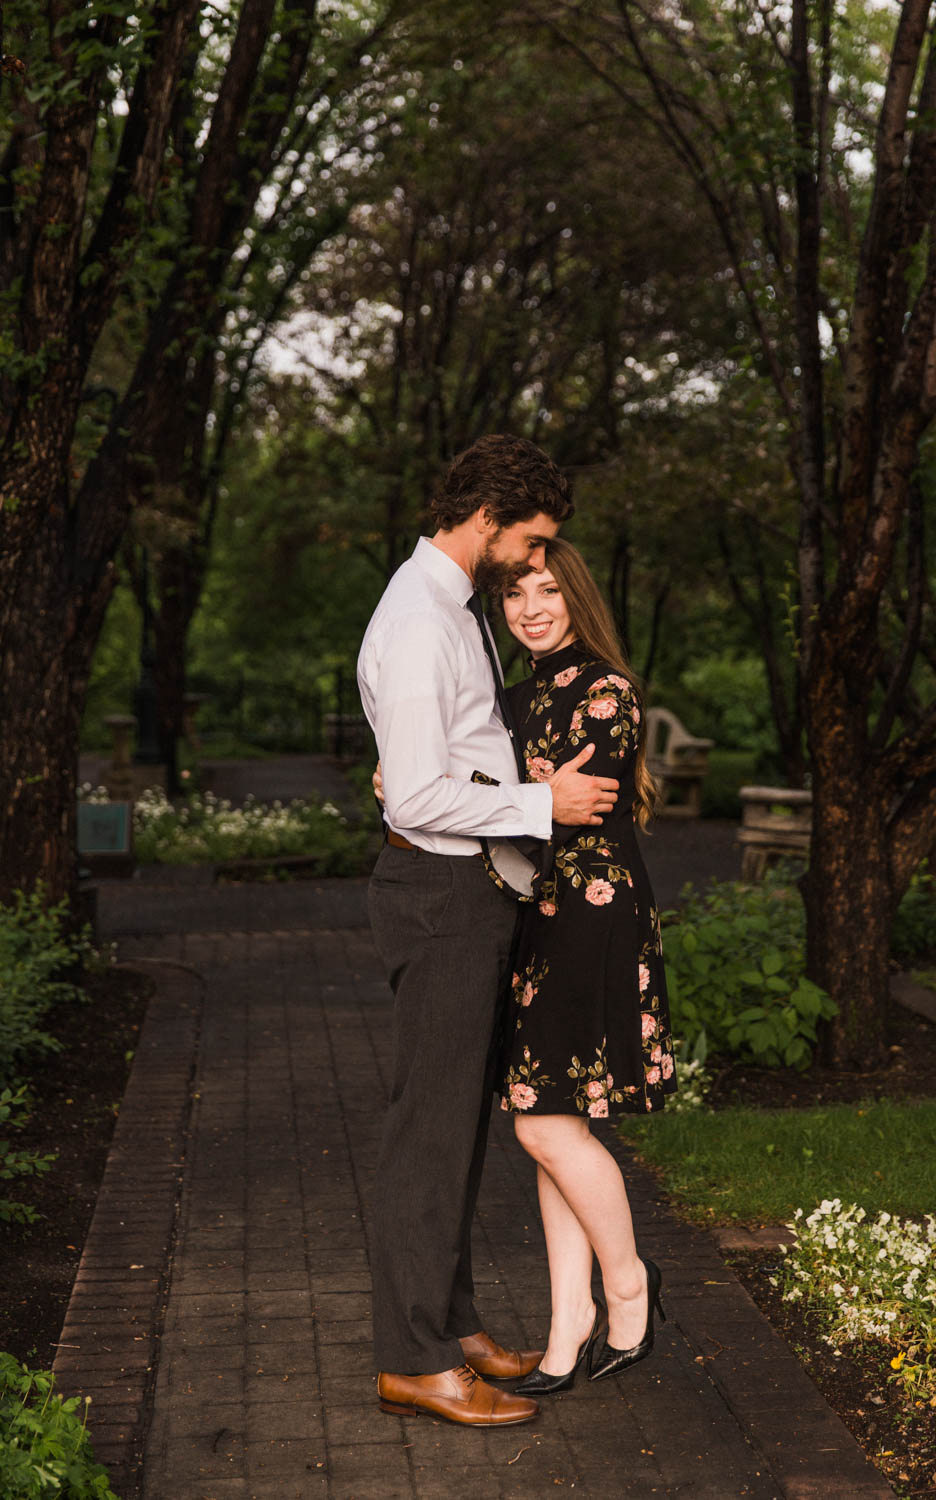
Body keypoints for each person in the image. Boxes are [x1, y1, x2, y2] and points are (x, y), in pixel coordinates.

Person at [357, 435, 620, 1428]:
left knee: (458, 1123)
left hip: (465, 890)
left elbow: (430, 762)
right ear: (490, 519)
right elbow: (424, 792)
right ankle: (415, 1360)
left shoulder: (448, 605)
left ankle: (449, 1323)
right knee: (427, 1129)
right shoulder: (421, 621)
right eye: (535, 537)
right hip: (439, 893)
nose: (537, 556)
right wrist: (539, 801)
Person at [491, 536, 676, 1393]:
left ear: (576, 596)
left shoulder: (607, 689)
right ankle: (568, 1329)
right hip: (535, 917)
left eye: (546, 591)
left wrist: (477, 794)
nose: (530, 609)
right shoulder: (511, 697)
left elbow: (577, 804)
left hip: (591, 917)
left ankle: (630, 1285)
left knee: (541, 1123)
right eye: (514, 595)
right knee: (553, 1126)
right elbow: (520, 801)